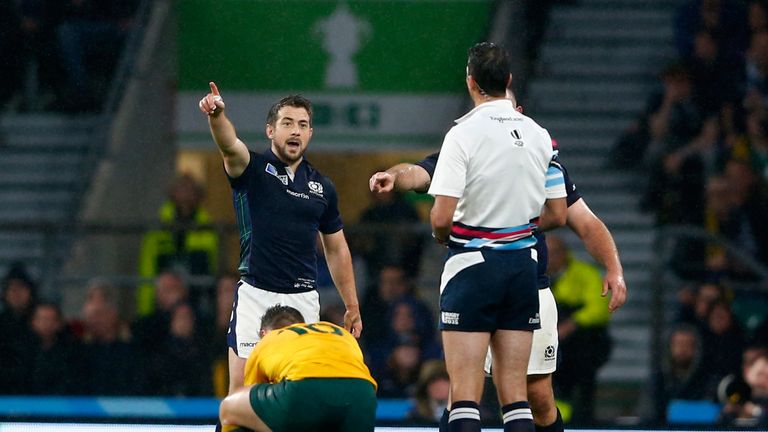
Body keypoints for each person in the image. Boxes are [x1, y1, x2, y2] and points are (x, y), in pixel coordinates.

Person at [370, 104, 626, 432]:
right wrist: (394, 176)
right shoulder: (464, 148)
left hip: (528, 286)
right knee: (465, 390)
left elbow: (584, 221)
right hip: (479, 280)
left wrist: (613, 267)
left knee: (536, 395)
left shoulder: (539, 159)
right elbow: (420, 171)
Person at [427, 42, 568, 432]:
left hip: (472, 266)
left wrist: (444, 234)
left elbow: (441, 215)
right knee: (516, 397)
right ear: (508, 81)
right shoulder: (541, 135)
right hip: (523, 268)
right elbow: (557, 212)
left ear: (471, 82)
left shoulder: (463, 134)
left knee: (466, 395)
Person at [198, 84, 362, 396]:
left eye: (302, 125)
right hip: (256, 294)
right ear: (271, 130)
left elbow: (337, 247)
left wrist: (351, 304)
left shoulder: (322, 187)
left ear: (311, 133)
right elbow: (229, 144)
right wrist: (217, 116)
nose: (295, 131)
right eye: (287, 123)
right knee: (243, 393)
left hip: (303, 299)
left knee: (297, 395)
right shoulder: (252, 168)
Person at [218, 304, 377, 432]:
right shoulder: (339, 333)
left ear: (264, 333)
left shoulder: (270, 339)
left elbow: (251, 392)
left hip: (303, 394)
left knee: (230, 408)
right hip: (363, 396)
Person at [545, 234, 612, 424]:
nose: (550, 258)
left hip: (580, 344)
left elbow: (600, 307)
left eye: (555, 253)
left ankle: (582, 418)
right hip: (546, 340)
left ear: (565, 253)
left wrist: (573, 323)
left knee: (582, 359)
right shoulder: (533, 274)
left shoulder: (585, 274)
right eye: (546, 253)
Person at [137, 173, 219, 316]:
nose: (185, 194)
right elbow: (147, 267)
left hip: (196, 299)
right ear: (173, 192)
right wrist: (145, 308)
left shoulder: (207, 226)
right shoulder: (159, 225)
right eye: (181, 189)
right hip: (161, 300)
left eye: (189, 190)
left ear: (197, 195)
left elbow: (211, 265)